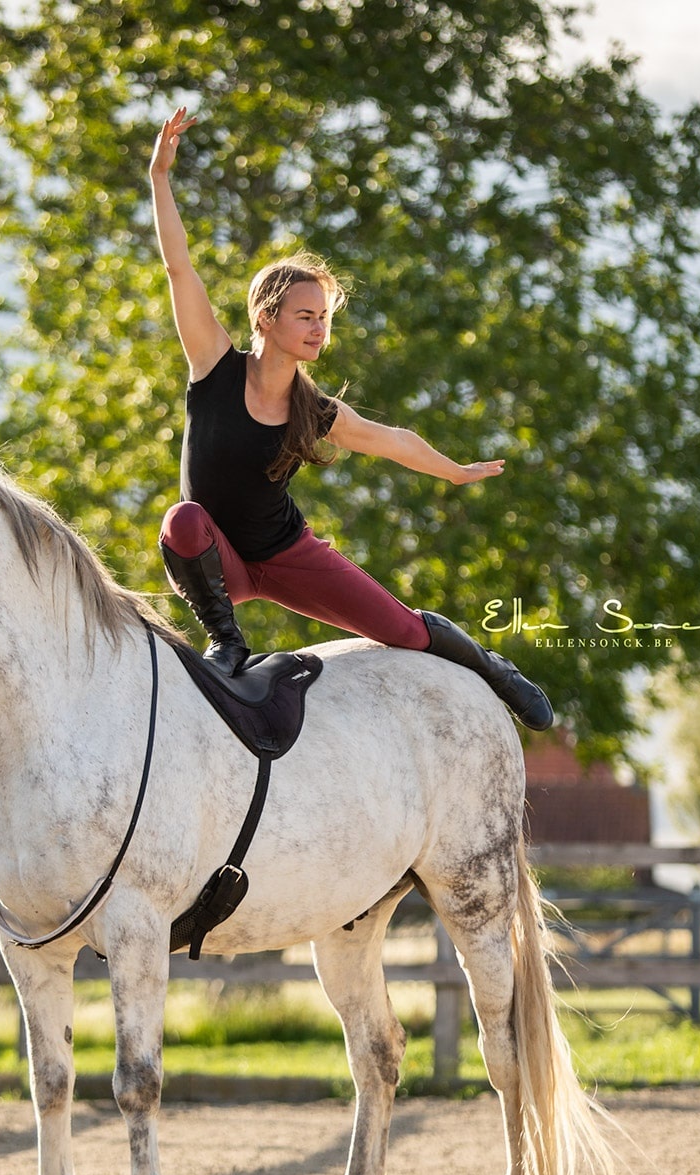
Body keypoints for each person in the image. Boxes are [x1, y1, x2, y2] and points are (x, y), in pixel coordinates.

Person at [148, 106, 554, 730]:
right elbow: (179, 267)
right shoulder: (213, 366)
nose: (319, 328)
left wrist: (454, 472)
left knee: (403, 630)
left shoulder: (314, 411)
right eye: (305, 315)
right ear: (266, 318)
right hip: (218, 562)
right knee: (183, 519)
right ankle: (228, 642)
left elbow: (390, 439)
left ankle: (497, 672)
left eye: (324, 317)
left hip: (286, 554)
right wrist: (160, 177)